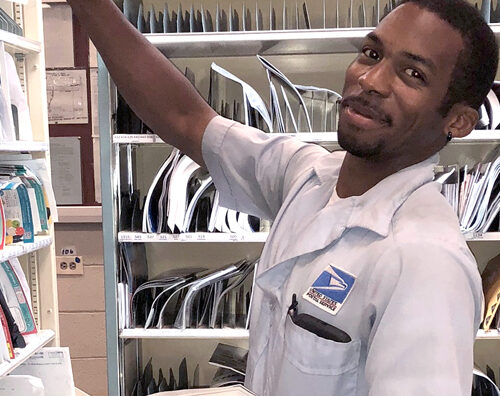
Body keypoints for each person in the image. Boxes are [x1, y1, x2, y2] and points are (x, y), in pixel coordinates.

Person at [67, 0, 498, 394]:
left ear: (458, 121)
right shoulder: (308, 176)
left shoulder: (425, 261)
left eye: (413, 74)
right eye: (371, 53)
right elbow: (186, 118)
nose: (370, 80)